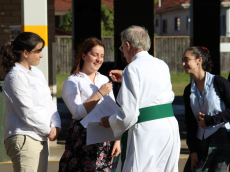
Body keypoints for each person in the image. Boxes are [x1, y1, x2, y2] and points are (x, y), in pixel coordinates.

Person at [100, 25, 180, 172]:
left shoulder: (132, 68)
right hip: (170, 128)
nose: (123, 53)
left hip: (148, 130)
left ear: (128, 45)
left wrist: (110, 121)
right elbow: (151, 88)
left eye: (122, 47)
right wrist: (125, 76)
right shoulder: (161, 64)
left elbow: (128, 114)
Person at [1, 32, 61, 172]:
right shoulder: (15, 76)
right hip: (24, 136)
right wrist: (48, 130)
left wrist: (56, 125)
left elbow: (49, 102)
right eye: (38, 51)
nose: (41, 55)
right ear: (25, 53)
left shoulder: (37, 73)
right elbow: (27, 112)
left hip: (39, 136)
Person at [59, 37, 121, 172]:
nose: (99, 60)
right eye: (95, 55)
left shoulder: (104, 79)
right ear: (83, 56)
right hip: (83, 138)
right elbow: (77, 112)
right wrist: (99, 94)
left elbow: (113, 110)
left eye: (102, 56)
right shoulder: (73, 81)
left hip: (105, 136)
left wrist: (117, 139)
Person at [182, 46, 230, 172]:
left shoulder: (219, 82)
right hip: (199, 141)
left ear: (199, 60)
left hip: (221, 138)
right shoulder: (188, 90)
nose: (183, 64)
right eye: (182, 60)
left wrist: (212, 119)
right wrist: (192, 151)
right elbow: (190, 122)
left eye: (186, 60)